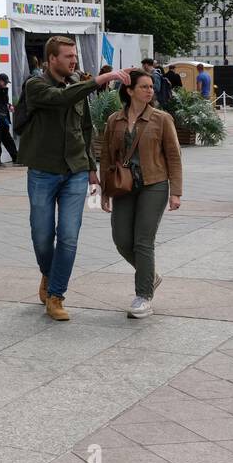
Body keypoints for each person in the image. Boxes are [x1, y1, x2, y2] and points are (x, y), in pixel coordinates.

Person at [17, 37, 131, 321]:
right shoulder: (35, 85)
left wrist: (92, 167)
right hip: (43, 170)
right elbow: (59, 100)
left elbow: (85, 128)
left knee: (68, 236)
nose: (74, 61)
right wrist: (99, 80)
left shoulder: (75, 87)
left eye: (75, 56)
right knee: (42, 236)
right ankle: (48, 274)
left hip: (76, 172)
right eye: (68, 56)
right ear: (51, 59)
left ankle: (56, 295)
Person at [99, 70, 182, 318]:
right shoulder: (114, 120)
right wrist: (104, 190)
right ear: (129, 90)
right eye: (144, 87)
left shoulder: (161, 118)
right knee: (122, 239)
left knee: (143, 241)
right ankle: (151, 275)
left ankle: (143, 295)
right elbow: (106, 157)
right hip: (123, 185)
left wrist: (175, 192)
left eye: (151, 87)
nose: (150, 91)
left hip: (153, 184)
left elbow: (174, 156)